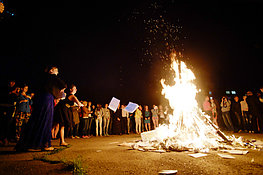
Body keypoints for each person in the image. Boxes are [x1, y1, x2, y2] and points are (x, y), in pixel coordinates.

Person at [15, 68, 67, 151]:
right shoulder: (51, 77)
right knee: (46, 121)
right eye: (55, 70)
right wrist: (58, 93)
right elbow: (63, 85)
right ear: (51, 70)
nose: (57, 71)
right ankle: (45, 144)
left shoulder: (42, 78)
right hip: (47, 99)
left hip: (40, 99)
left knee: (37, 120)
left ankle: (30, 144)